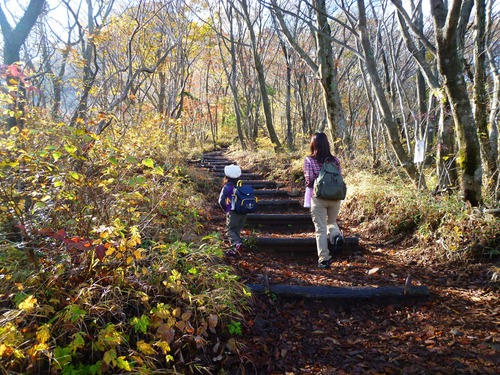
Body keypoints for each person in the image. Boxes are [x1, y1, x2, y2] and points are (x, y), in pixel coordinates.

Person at [304, 132, 344, 269]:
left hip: (319, 197)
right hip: (335, 197)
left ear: (313, 144)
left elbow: (309, 181)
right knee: (331, 222)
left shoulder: (309, 160)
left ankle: (324, 259)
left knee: (320, 229)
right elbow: (339, 177)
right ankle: (336, 237)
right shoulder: (335, 160)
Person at [218, 164, 246, 256]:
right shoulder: (241, 186)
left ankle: (237, 244)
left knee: (229, 230)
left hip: (233, 212)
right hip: (243, 212)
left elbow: (221, 201)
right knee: (236, 230)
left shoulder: (227, 187)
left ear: (227, 176)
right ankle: (235, 249)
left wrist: (226, 209)